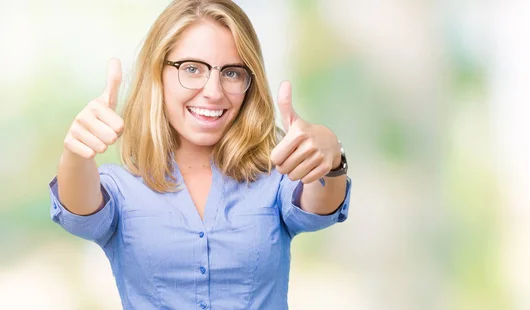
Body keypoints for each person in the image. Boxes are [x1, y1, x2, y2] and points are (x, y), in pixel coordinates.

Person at [48, 0, 351, 309]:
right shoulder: (120, 188)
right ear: (158, 72)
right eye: (192, 69)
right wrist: (76, 153)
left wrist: (332, 160)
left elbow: (319, 208)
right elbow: (79, 213)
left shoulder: (273, 178)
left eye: (232, 73)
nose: (214, 91)